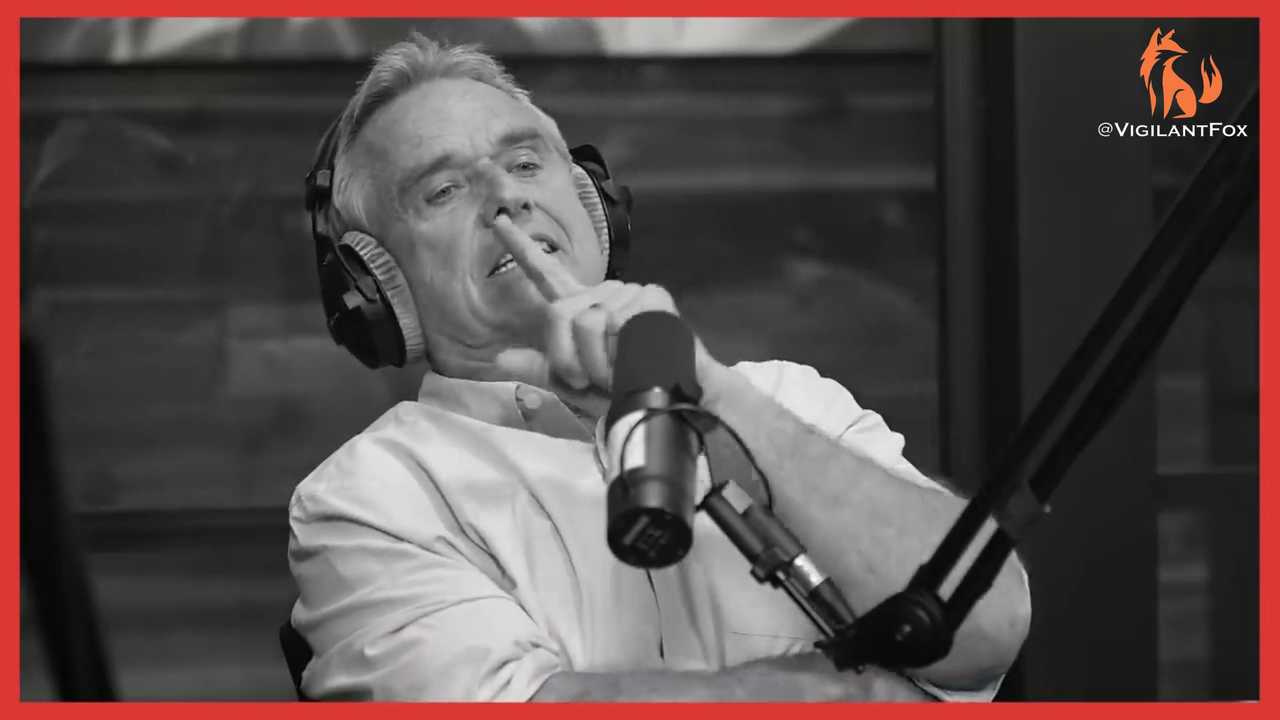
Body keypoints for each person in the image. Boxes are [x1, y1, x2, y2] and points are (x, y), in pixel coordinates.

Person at [287, 32, 1032, 702]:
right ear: (378, 283)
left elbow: (987, 624)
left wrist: (715, 394)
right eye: (444, 190)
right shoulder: (367, 497)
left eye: (526, 163)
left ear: (594, 208)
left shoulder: (791, 401)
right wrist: (846, 697)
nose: (506, 196)